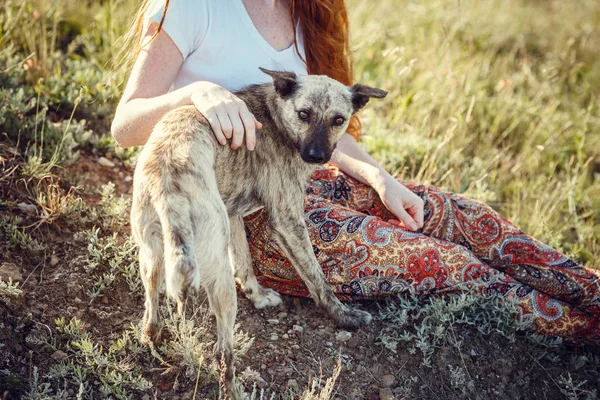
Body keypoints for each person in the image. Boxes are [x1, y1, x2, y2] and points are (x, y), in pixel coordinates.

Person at [112, 0, 600, 345]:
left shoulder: (311, 12)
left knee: (458, 215)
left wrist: (381, 180)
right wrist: (198, 93)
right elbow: (125, 124)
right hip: (236, 212)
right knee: (446, 264)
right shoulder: (194, 5)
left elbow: (328, 122)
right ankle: (581, 326)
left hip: (307, 179)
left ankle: (590, 289)